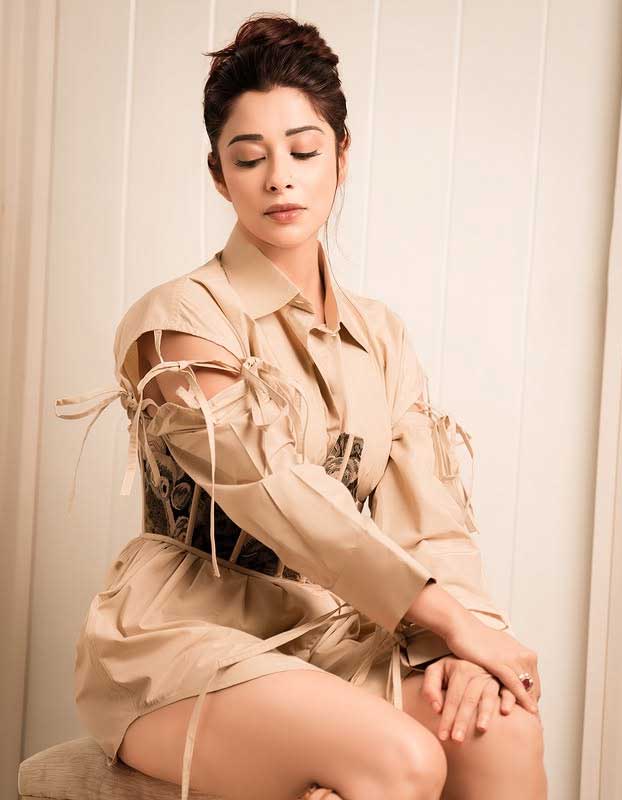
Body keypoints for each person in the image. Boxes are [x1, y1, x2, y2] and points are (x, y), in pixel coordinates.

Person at [54, 12, 547, 800]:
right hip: (182, 637)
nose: (279, 178)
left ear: (341, 156)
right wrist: (445, 619)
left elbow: (430, 516)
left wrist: (470, 645)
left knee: (501, 726)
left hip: (327, 633)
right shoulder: (180, 320)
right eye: (249, 158)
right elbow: (277, 490)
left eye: (304, 151)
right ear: (219, 175)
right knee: (405, 759)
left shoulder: (381, 336)